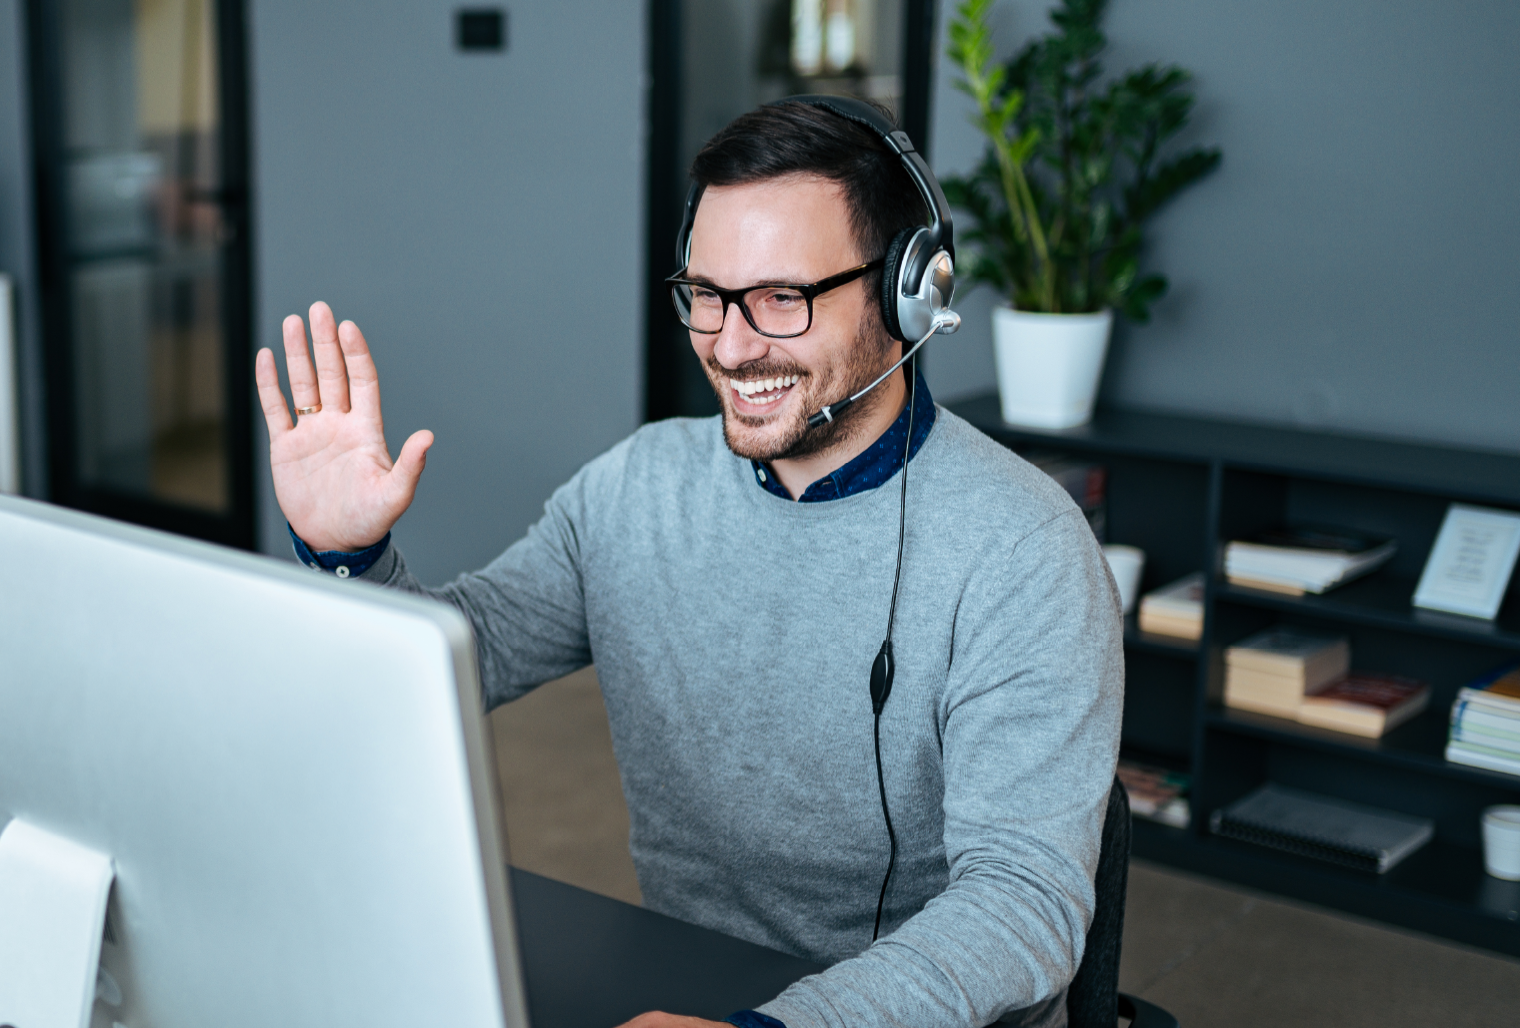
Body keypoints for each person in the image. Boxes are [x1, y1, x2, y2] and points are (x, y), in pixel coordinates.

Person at [254, 99, 1122, 1028]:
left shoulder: (1025, 550)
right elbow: (460, 662)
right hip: (680, 981)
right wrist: (348, 556)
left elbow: (1022, 904)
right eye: (707, 295)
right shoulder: (634, 488)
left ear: (907, 292)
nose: (732, 344)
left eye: (783, 299)